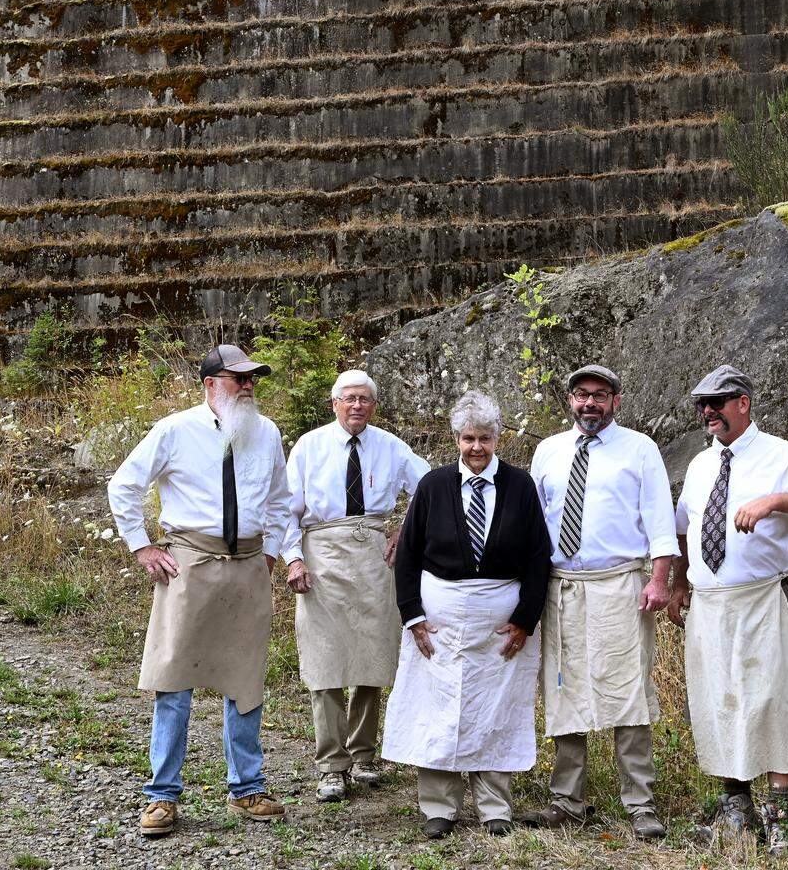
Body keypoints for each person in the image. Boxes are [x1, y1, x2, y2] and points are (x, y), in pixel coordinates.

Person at [108, 344, 291, 838]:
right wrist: (142, 547)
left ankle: (247, 787)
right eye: (239, 379)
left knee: (246, 678)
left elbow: (280, 499)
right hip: (189, 562)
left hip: (250, 563)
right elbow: (123, 485)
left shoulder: (267, 432)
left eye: (253, 378)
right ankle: (162, 795)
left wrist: (270, 552)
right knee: (174, 677)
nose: (249, 385)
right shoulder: (174, 430)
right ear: (211, 384)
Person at [666, 364, 788, 853]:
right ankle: (736, 812)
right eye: (701, 404)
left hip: (766, 596)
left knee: (774, 697)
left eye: (716, 402)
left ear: (743, 402)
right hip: (711, 602)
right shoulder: (701, 466)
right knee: (717, 697)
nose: (707, 412)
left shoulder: (783, 456)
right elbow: (685, 528)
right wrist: (681, 583)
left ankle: (782, 818)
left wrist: (774, 502)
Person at [383, 391, 551, 839]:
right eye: (468, 438)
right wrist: (412, 616)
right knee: (437, 707)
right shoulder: (434, 486)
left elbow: (538, 556)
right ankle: (440, 807)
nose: (477, 448)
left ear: (499, 439)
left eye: (485, 439)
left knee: (496, 709)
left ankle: (495, 808)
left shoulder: (520, 486)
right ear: (456, 439)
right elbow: (409, 555)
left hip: (500, 619)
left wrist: (525, 619)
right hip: (440, 618)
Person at [524, 364, 678, 840]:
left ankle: (640, 802)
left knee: (626, 688)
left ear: (616, 400)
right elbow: (533, 524)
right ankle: (568, 801)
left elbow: (659, 520)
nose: (590, 403)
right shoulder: (548, 450)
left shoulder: (639, 449)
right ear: (569, 400)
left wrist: (659, 581)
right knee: (564, 687)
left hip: (620, 584)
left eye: (600, 395)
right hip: (561, 583)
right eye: (582, 395)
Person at [282, 369, 431, 802]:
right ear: (334, 404)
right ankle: (331, 765)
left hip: (374, 558)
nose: (357, 406)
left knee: (372, 656)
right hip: (321, 554)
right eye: (349, 398)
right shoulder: (309, 447)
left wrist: (406, 531)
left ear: (374, 405)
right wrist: (293, 558)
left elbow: (431, 488)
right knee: (325, 660)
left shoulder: (390, 446)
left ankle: (363, 755)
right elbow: (285, 508)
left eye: (365, 399)